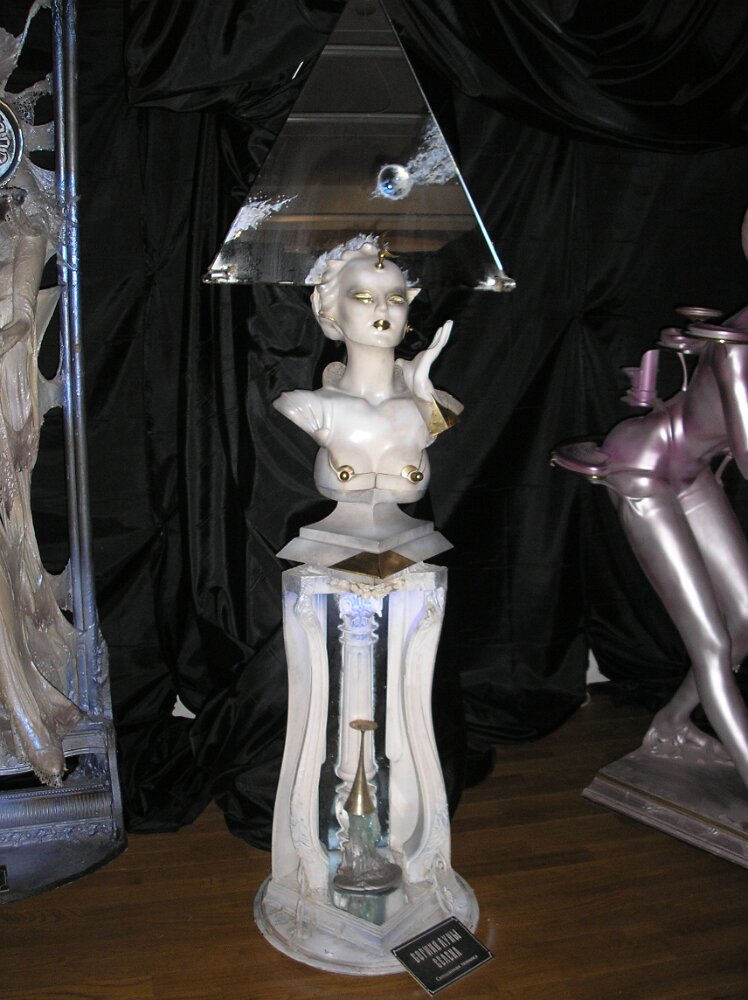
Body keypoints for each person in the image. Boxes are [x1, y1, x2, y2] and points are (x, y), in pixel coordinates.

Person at [554, 310, 748, 790]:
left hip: (689, 472)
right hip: (643, 466)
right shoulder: (736, 350)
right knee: (712, 643)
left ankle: (672, 724)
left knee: (745, 620)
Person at [274, 239, 461, 548]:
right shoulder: (308, 408)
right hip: (333, 553)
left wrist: (422, 388)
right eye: (363, 297)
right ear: (325, 308)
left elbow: (437, 425)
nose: (383, 309)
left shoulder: (427, 407)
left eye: (396, 298)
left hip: (408, 551)